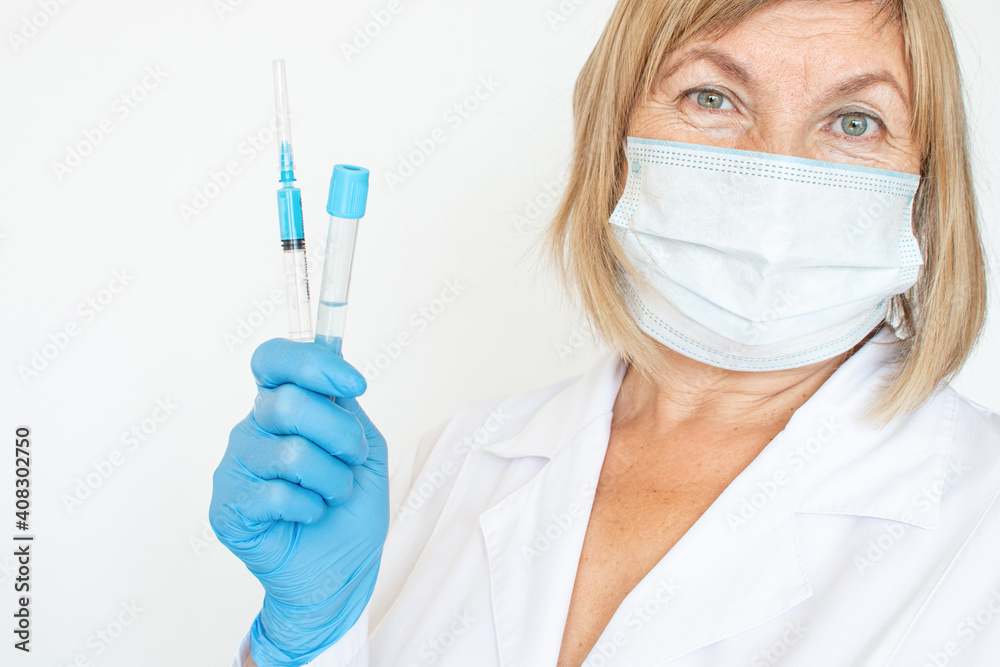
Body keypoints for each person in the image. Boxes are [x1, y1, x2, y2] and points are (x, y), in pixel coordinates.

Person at [210, 0, 1000, 664]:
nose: (776, 173)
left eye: (855, 121)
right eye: (712, 97)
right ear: (613, 138)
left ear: (925, 182)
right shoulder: (461, 460)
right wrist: (299, 640)